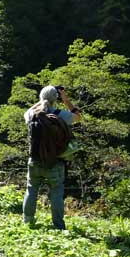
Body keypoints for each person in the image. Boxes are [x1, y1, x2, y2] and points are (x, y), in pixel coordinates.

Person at [22, 85, 81, 229]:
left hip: (34, 160)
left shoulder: (32, 115)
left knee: (31, 189)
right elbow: (78, 117)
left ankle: (27, 222)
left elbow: (27, 111)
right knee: (56, 192)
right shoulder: (62, 115)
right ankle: (58, 226)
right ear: (57, 99)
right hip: (56, 161)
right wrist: (66, 99)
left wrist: (42, 100)